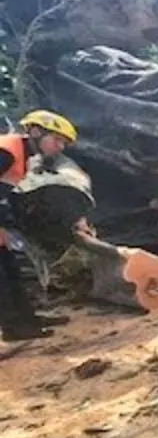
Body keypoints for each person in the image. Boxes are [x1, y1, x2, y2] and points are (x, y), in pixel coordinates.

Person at [1, 110, 78, 341]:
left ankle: (27, 320)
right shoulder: (6, 151)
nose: (60, 147)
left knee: (10, 271)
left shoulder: (24, 156)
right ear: (35, 132)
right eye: (56, 139)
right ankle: (14, 327)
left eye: (63, 142)